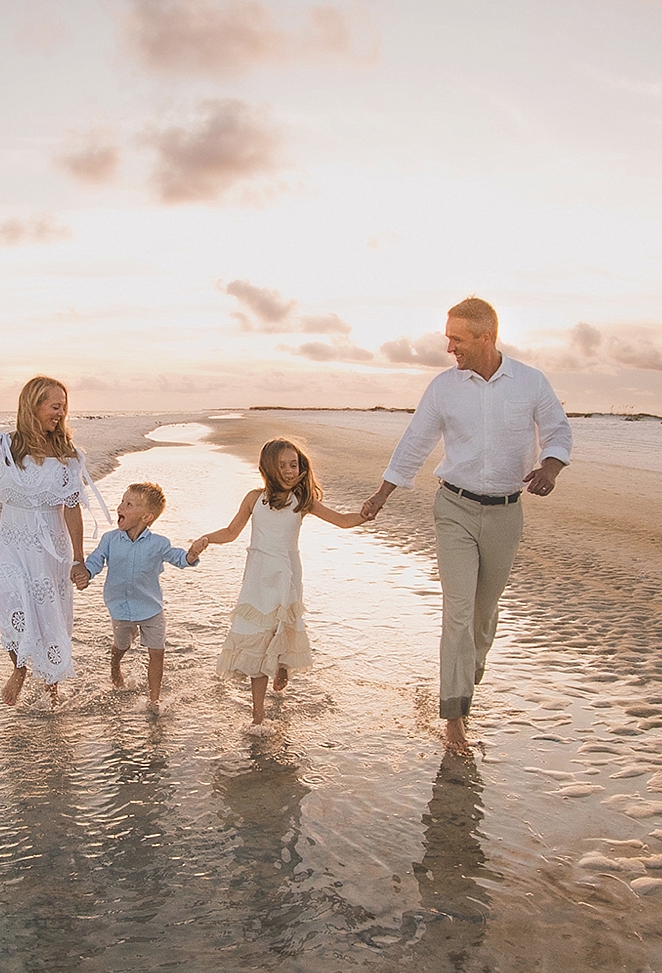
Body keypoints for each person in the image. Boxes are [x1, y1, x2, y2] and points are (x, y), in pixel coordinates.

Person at [359, 298, 571, 756]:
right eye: (448, 337)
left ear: (485, 337)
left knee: (483, 614)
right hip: (453, 508)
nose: (449, 347)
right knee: (457, 612)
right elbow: (415, 442)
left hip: (505, 513)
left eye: (457, 338)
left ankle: (467, 668)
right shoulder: (443, 388)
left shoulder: (530, 382)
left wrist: (550, 469)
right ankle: (454, 719)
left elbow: (558, 431)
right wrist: (381, 495)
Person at [194, 437, 366, 734]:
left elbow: (340, 520)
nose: (289, 471)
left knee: (282, 629)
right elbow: (231, 531)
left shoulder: (303, 502)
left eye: (293, 465)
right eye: (282, 466)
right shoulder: (253, 498)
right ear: (268, 468)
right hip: (258, 580)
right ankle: (258, 716)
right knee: (257, 641)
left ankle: (283, 665)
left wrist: (364, 515)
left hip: (286, 578)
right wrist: (206, 539)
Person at [0, 375, 101, 707]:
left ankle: (52, 688)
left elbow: (71, 509)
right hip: (12, 542)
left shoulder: (67, 454)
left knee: (50, 613)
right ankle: (19, 669)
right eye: (55, 406)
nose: (60, 413)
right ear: (34, 406)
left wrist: (78, 558)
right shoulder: (1, 446)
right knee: (12, 601)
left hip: (51, 547)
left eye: (64, 407)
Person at [72, 482, 202, 715]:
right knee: (122, 644)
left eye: (128, 504)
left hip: (151, 608)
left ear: (147, 516)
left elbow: (178, 558)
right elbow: (95, 560)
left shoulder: (158, 543)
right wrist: (86, 573)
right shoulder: (110, 539)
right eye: (122, 501)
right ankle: (115, 665)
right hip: (120, 607)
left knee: (157, 652)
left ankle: (154, 700)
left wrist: (191, 556)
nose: (120, 506)